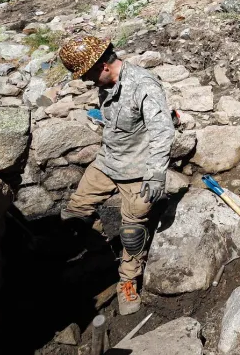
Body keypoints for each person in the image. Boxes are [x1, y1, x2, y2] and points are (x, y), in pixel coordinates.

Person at [57, 36, 175, 315]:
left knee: (132, 231)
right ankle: (101, 252)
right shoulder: (106, 83)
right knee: (74, 215)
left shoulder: (143, 85)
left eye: (88, 75)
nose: (87, 81)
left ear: (103, 66)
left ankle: (128, 281)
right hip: (108, 161)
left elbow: (162, 131)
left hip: (137, 169)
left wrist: (155, 174)